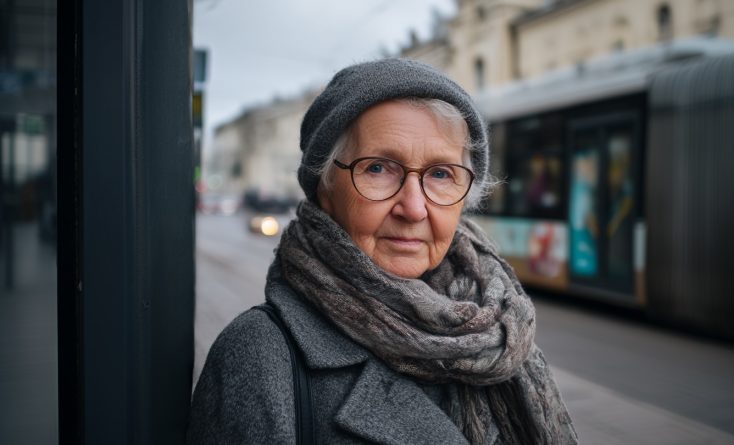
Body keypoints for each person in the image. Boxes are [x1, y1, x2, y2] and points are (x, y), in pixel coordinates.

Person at [187, 59, 577, 444]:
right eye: (378, 168)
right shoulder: (260, 355)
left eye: (441, 174)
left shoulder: (498, 331)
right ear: (325, 186)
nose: (413, 208)